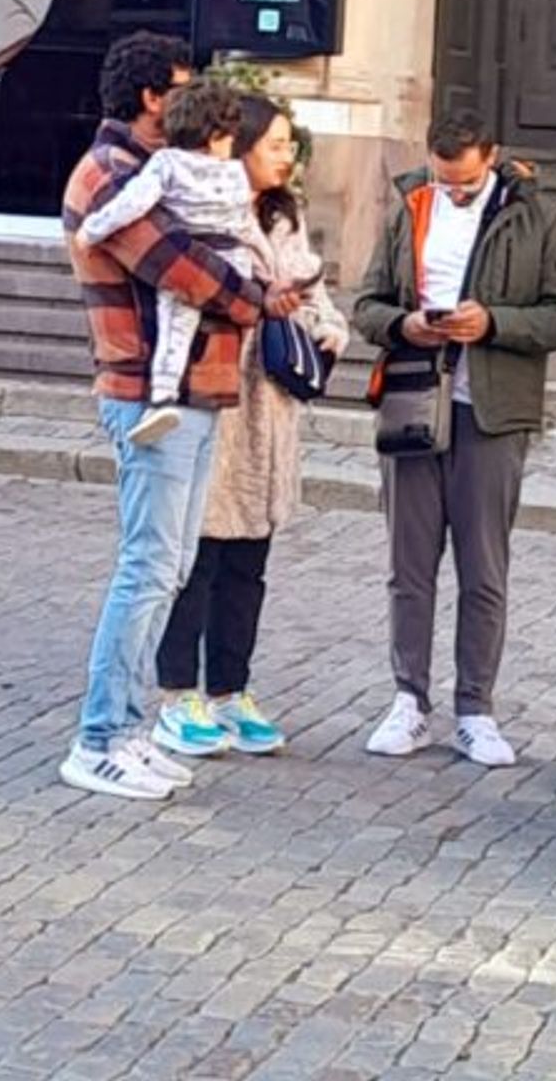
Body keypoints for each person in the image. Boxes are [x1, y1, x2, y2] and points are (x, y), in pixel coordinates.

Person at [58, 32, 301, 805]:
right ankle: (99, 738)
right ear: (153, 99)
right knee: (149, 568)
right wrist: (257, 297)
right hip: (145, 393)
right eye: (182, 88)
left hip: (196, 391)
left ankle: (129, 732)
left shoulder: (161, 171)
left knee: (170, 567)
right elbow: (187, 271)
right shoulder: (111, 175)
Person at [352, 116, 556, 770]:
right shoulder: (411, 206)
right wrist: (407, 324)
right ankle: (408, 700)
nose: (452, 191)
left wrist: (493, 324)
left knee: (484, 567)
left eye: (464, 182)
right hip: (412, 399)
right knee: (409, 564)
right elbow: (366, 304)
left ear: (491, 159)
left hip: (492, 411)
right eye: (441, 179)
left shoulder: (534, 217)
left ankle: (476, 709)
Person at [150, 94, 349, 758]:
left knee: (249, 561)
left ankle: (232, 688)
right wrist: (262, 303)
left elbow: (313, 291)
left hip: (271, 409)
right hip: (217, 396)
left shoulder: (284, 216)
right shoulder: (207, 213)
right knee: (200, 556)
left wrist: (325, 328)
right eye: (276, 144)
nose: (287, 156)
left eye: (291, 145)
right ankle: (179, 693)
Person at [75, 77, 265, 447]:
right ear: (215, 136)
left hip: (195, 254)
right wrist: (266, 273)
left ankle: (163, 396)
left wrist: (92, 230)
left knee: (175, 330)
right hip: (235, 257)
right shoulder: (236, 172)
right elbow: (248, 225)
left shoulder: (166, 163)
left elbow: (131, 206)